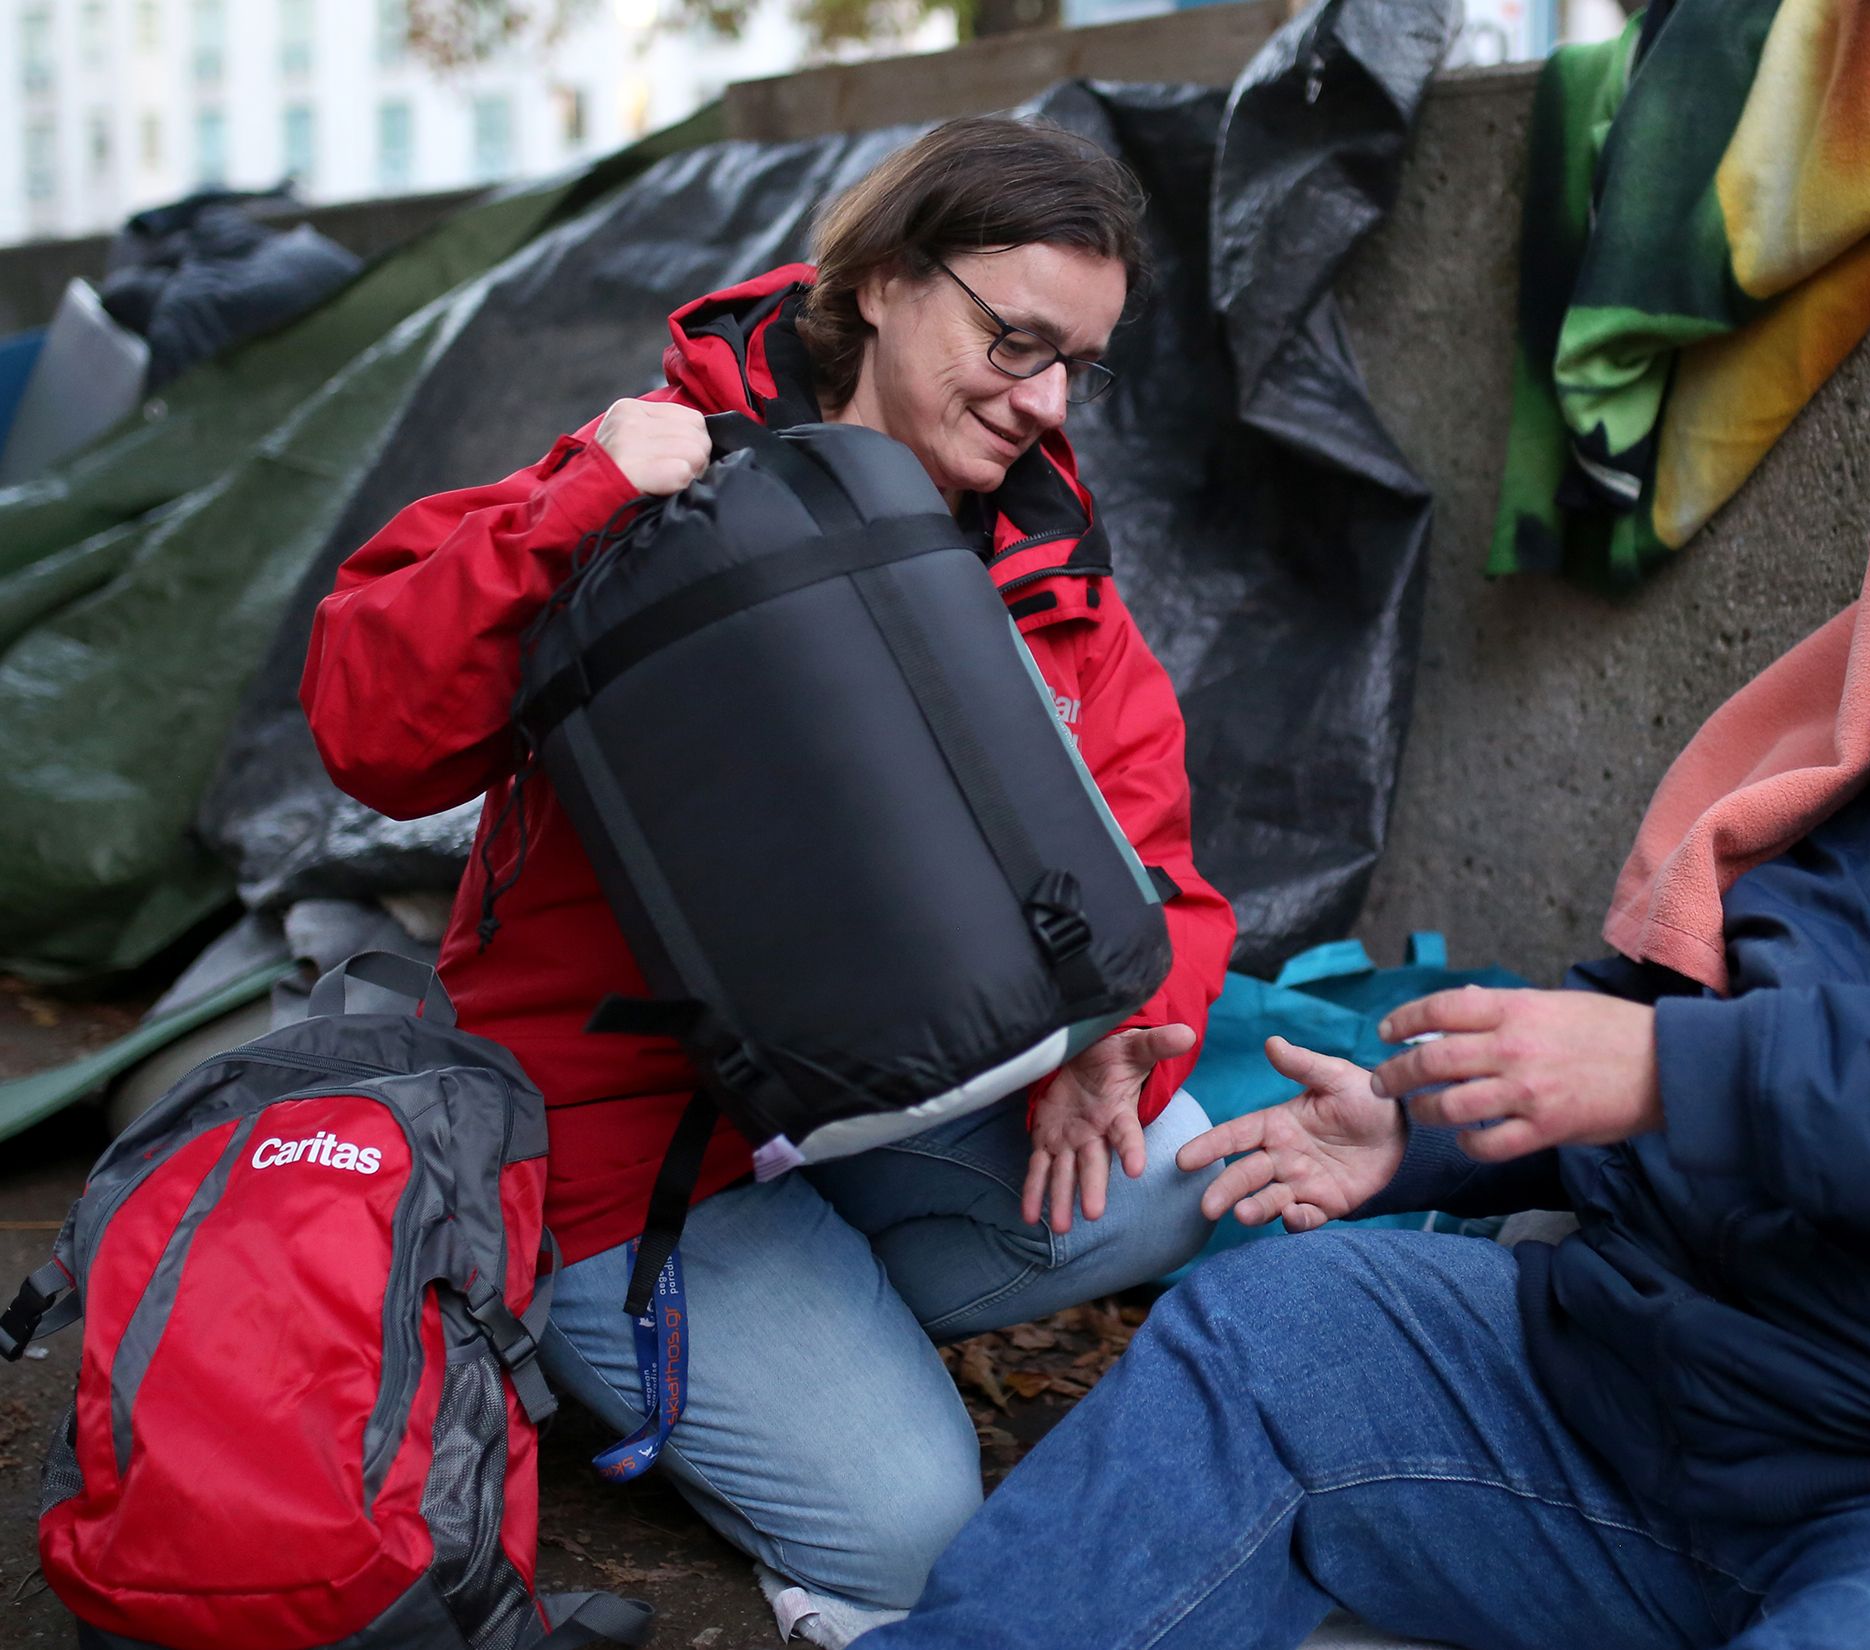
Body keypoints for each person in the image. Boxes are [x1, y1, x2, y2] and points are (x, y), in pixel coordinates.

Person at [857, 289, 1870, 1650]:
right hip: (1656, 1404)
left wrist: (1670, 1074)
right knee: (1274, 1332)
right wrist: (1423, 1135)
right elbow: (1645, 1039)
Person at [300, 117, 1235, 1641]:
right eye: (1014, 340)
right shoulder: (658, 483)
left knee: (1172, 1162)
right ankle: (615, 1329)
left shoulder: (1053, 581)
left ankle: (806, 1322)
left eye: (1081, 361)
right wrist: (573, 508)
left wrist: (1129, 1038)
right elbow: (367, 723)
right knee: (915, 1535)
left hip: (882, 1096)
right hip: (630, 1150)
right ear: (877, 280)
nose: (1047, 399)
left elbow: (1169, 886)